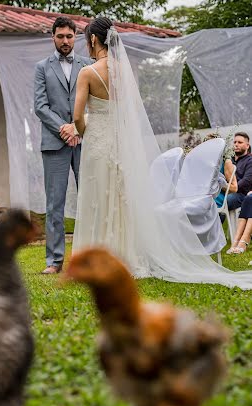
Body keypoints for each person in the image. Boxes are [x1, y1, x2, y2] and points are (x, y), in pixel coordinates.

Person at [71, 18, 252, 288]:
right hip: (121, 145)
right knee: (122, 199)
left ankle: (95, 258)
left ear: (94, 40)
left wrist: (86, 131)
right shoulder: (124, 71)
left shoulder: (87, 72)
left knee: (97, 197)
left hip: (98, 142)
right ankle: (125, 256)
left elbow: (76, 117)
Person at [34, 17, 92, 274]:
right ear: (53, 37)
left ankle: (89, 257)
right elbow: (40, 107)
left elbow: (93, 104)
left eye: (69, 36)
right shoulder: (41, 68)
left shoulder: (88, 64)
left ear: (75, 37)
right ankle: (54, 261)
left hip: (86, 141)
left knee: (90, 200)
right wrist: (66, 130)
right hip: (55, 143)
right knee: (54, 204)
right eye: (60, 37)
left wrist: (79, 128)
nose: (65, 41)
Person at [226, 132, 252, 213]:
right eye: (235, 142)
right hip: (227, 191)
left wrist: (229, 189)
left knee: (225, 201)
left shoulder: (250, 161)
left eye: (240, 142)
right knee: (212, 201)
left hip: (242, 194)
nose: (236, 144)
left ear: (247, 145)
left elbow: (246, 181)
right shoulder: (229, 160)